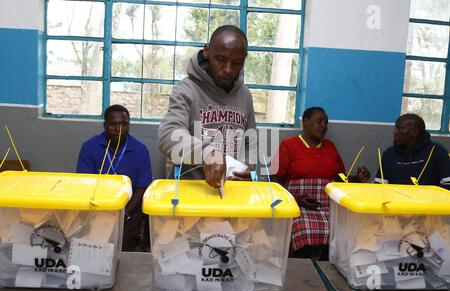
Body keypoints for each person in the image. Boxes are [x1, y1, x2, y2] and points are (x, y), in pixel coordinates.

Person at [158, 25, 257, 189]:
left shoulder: (245, 95)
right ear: (206, 52)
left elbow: (249, 143)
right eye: (221, 59)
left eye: (237, 63)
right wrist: (207, 153)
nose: (228, 70)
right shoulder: (186, 90)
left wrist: (249, 169)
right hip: (191, 195)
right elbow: (168, 135)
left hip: (232, 196)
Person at [270, 107, 370, 261]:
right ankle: (306, 268)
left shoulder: (330, 147)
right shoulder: (289, 145)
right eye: (319, 121)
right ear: (305, 122)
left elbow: (340, 179)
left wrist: (358, 178)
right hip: (299, 205)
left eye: (326, 123)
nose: (324, 125)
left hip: (329, 205)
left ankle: (326, 266)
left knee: (343, 228)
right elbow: (275, 179)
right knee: (303, 228)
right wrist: (294, 199)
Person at [76, 104, 152, 252]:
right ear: (105, 125)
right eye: (113, 124)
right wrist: (102, 212)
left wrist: (124, 212)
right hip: (97, 208)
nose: (118, 129)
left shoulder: (140, 149)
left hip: (129, 210)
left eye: (124, 124)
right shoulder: (90, 147)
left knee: (121, 248)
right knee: (95, 247)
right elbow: (84, 183)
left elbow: (142, 186)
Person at [375, 113, 450, 189]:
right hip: (395, 201)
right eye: (395, 128)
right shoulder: (389, 154)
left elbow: (447, 186)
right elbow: (379, 187)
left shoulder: (437, 152)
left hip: (430, 200)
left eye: (400, 128)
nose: (395, 132)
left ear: (414, 132)